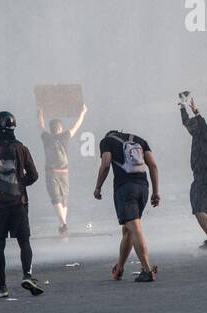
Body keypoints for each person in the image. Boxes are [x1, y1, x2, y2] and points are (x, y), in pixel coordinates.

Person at [0, 111, 42, 299]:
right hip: (19, 202)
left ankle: (2, 286)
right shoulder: (21, 148)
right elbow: (34, 175)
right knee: (24, 241)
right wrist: (21, 184)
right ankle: (27, 275)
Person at [95, 129, 160, 282]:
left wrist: (98, 187)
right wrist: (156, 192)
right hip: (143, 188)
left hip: (125, 188)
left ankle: (147, 270)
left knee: (135, 229)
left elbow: (105, 164)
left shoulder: (107, 141)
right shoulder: (139, 140)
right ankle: (120, 267)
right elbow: (153, 166)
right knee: (128, 230)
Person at [179, 96, 207, 248]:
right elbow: (186, 122)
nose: (189, 129)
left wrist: (195, 111)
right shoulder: (198, 134)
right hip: (200, 175)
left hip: (205, 175)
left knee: (199, 208)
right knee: (198, 207)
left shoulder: (204, 133)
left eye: (192, 126)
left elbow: (202, 125)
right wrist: (182, 108)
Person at [39, 103, 87, 235]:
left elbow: (41, 126)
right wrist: (82, 112)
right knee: (64, 198)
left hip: (51, 172)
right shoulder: (65, 136)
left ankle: (63, 223)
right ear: (60, 127)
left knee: (55, 197)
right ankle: (62, 224)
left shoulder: (46, 137)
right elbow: (77, 125)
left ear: (51, 128)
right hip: (64, 172)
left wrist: (40, 113)